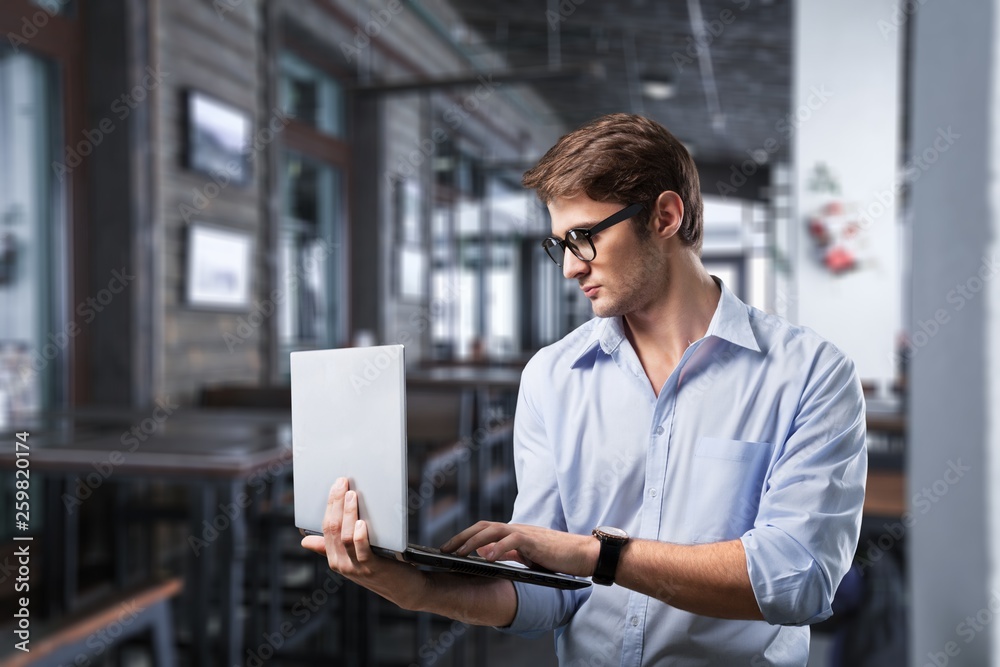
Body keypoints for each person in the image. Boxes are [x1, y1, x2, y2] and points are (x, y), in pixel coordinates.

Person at [302, 113, 867, 666]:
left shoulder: (811, 375)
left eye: (584, 237)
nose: (570, 267)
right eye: (560, 244)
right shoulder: (551, 376)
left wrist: (600, 556)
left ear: (666, 216)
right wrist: (417, 591)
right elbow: (550, 589)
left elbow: (799, 580)